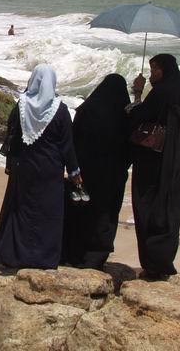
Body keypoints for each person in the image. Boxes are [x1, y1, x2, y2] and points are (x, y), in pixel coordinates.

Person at [0, 64, 81, 269]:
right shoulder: (60, 110)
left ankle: (15, 255)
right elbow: (67, 146)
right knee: (47, 214)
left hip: (24, 167)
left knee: (21, 210)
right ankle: (43, 258)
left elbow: (11, 136)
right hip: (50, 171)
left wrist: (12, 164)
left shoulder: (21, 106)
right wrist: (75, 172)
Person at [128, 54, 180, 278]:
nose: (151, 74)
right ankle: (163, 263)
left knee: (148, 209)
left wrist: (137, 92)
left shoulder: (161, 92)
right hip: (175, 163)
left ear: (165, 70)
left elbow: (138, 116)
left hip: (153, 164)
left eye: (154, 69)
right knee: (169, 212)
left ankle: (152, 265)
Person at [62, 74, 131, 269]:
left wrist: (73, 167)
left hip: (86, 171)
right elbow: (131, 146)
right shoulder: (125, 116)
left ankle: (74, 253)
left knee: (81, 211)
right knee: (106, 214)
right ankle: (96, 257)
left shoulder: (87, 110)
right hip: (113, 174)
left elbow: (72, 140)